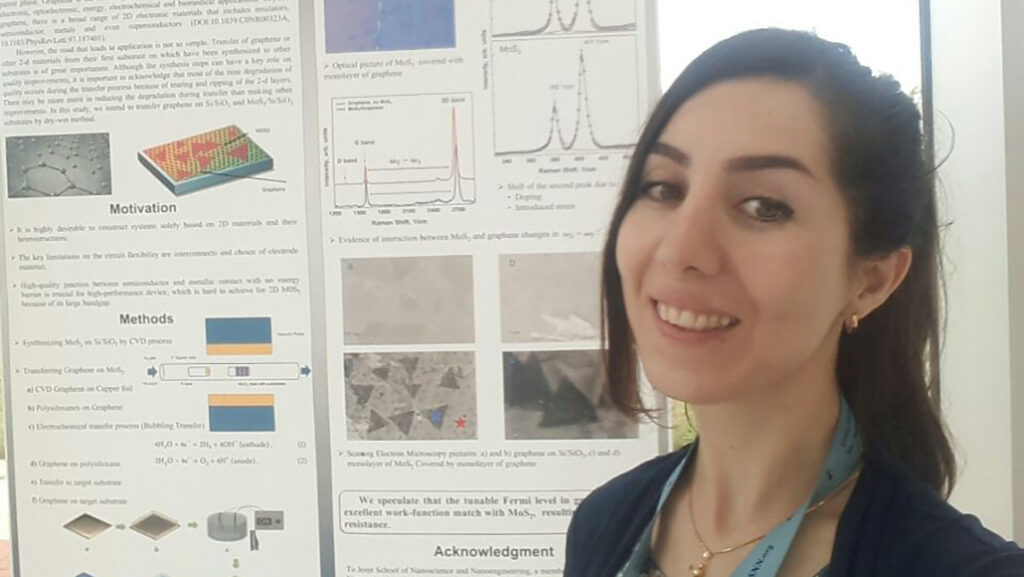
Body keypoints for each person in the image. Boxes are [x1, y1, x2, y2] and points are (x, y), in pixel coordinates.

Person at [564, 29, 1024, 577]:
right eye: (664, 188)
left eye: (764, 206)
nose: (681, 249)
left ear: (872, 280)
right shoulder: (605, 522)